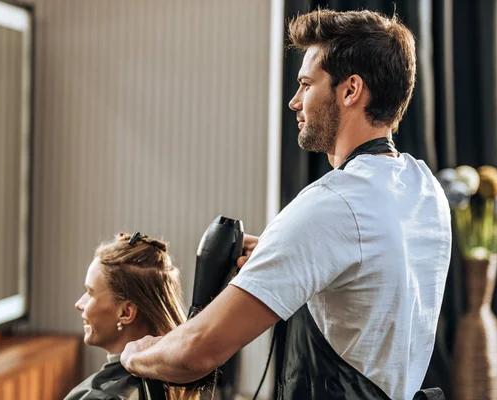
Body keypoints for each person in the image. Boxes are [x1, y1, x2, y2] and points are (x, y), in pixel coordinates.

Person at [120, 8, 451, 400]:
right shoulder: (423, 188)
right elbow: (375, 288)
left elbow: (197, 351)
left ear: (350, 90)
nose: (295, 102)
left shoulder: (333, 204)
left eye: (307, 85)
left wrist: (137, 354)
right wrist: (290, 257)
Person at [64, 232, 192, 400]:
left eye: (90, 293)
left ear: (126, 313)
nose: (79, 304)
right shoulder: (169, 383)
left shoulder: (99, 396)